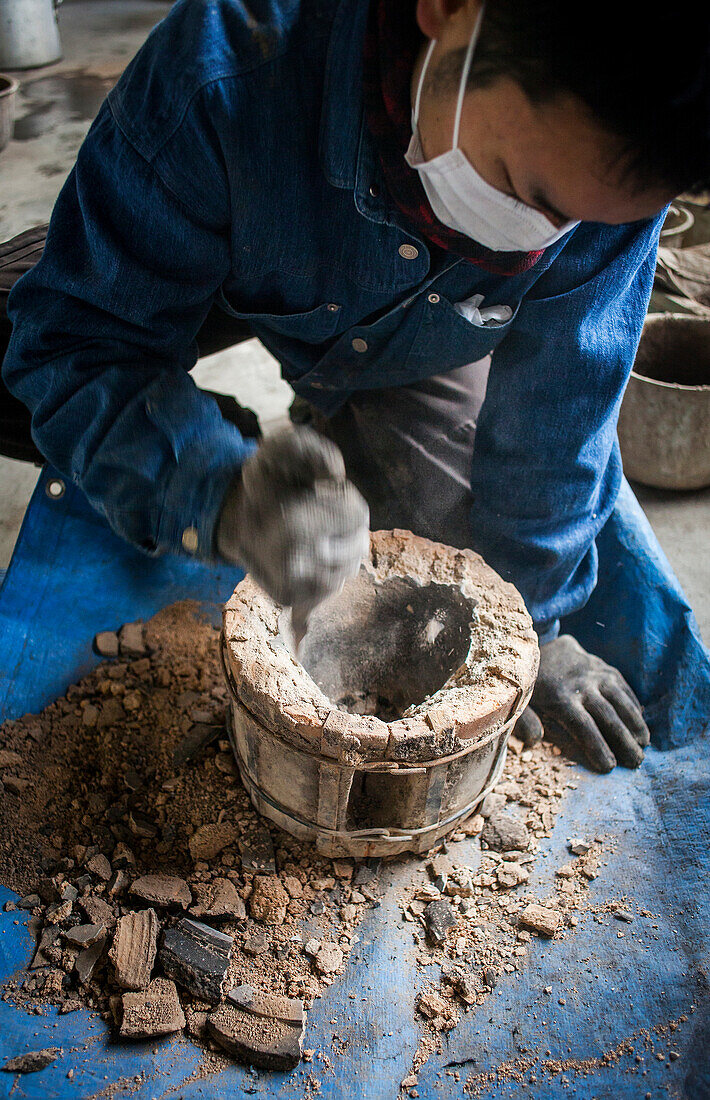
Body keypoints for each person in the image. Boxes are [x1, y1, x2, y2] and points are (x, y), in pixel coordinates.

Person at [2, 0, 709, 770]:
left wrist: (532, 627)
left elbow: (563, 412)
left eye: (574, 224)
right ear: (449, 10)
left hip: (426, 328)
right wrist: (216, 489)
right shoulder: (227, 66)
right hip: (209, 235)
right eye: (518, 189)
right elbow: (77, 339)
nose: (534, 239)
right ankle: (205, 428)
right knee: (30, 354)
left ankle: (336, 416)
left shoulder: (616, 185)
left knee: (446, 538)